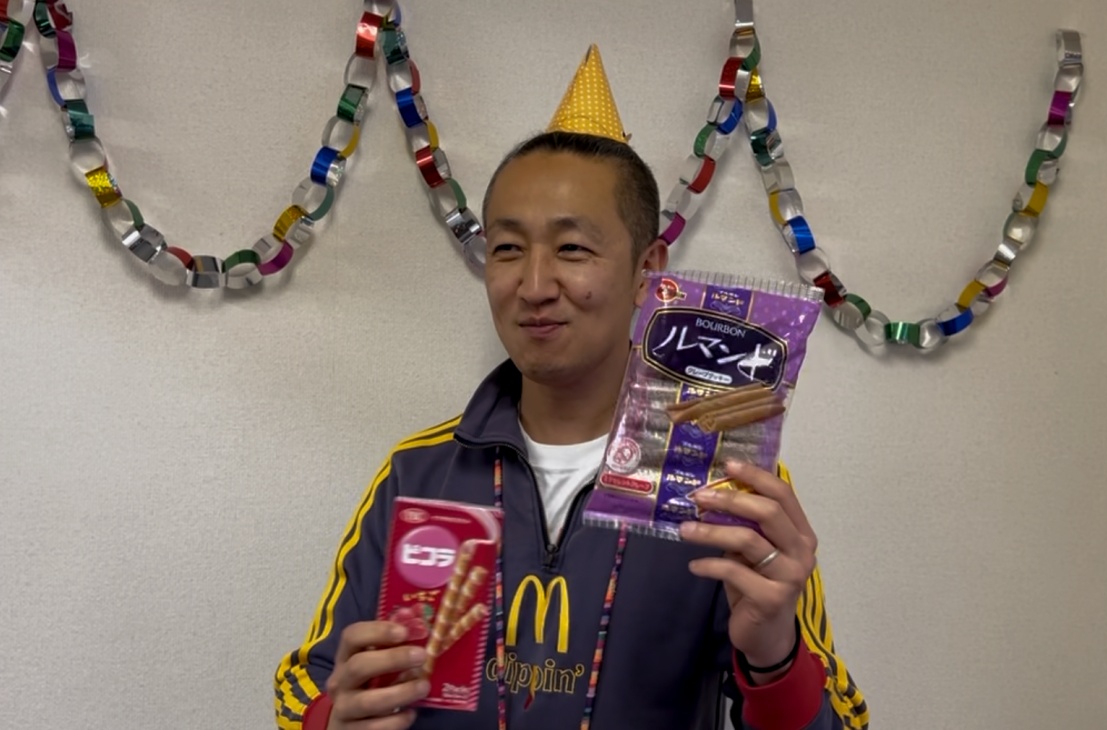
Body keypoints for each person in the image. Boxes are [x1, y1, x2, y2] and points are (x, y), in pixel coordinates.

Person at [275, 45, 867, 730]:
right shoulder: (417, 474)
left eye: (573, 249)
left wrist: (774, 657)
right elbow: (304, 687)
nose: (533, 285)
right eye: (507, 248)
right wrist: (334, 716)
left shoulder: (726, 492)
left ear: (648, 272)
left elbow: (841, 719)